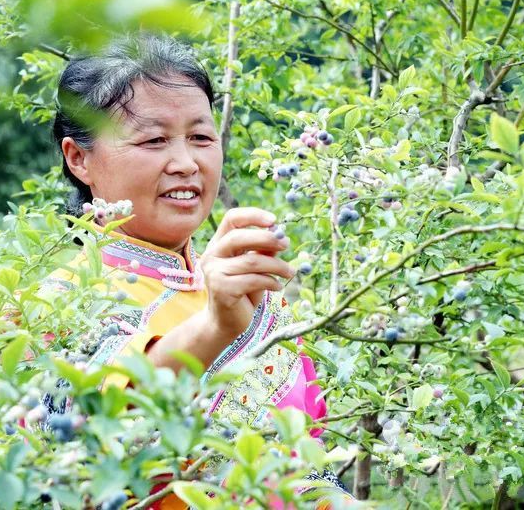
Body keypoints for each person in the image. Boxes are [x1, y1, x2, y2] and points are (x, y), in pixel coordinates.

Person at [36, 33, 351, 508]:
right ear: (79, 158)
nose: (186, 163)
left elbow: (307, 458)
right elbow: (89, 429)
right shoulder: (53, 305)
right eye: (154, 139)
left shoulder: (249, 292)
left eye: (201, 137)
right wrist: (214, 327)